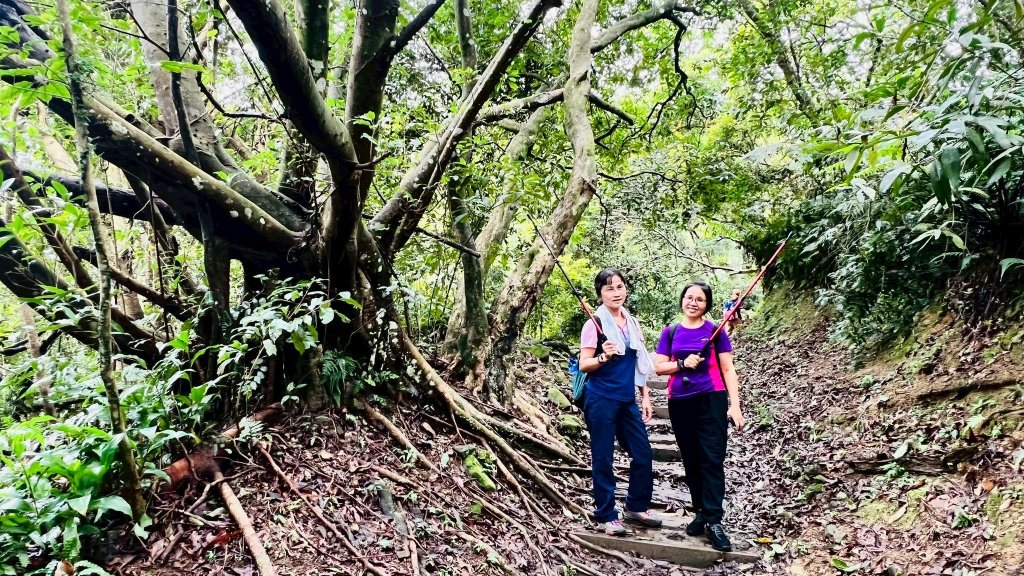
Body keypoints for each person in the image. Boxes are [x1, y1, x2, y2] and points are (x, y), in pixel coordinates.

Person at [653, 281, 745, 552]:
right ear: (682, 300)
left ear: (707, 305)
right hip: (680, 402)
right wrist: (682, 364)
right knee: (691, 459)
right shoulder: (671, 331)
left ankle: (714, 519)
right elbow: (659, 367)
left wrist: (735, 405)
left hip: (711, 399)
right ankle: (701, 512)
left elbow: (728, 369)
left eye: (700, 299)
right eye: (689, 297)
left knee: (712, 458)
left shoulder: (715, 331)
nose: (693, 303)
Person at [579, 268, 662, 535]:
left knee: (643, 453)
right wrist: (603, 357)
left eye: (620, 286)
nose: (616, 293)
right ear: (600, 294)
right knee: (603, 456)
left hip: (627, 399)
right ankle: (606, 515)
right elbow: (584, 364)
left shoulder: (632, 322)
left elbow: (639, 363)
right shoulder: (594, 324)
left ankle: (636, 506)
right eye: (609, 288)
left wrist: (645, 395)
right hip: (600, 398)